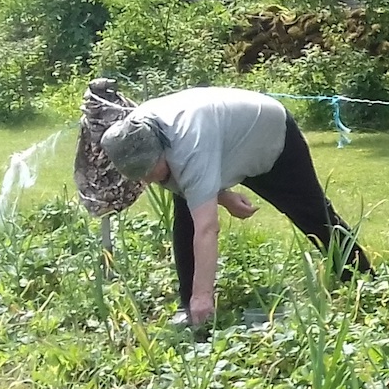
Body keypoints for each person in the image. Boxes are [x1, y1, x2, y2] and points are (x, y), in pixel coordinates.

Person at [99, 86, 370, 329]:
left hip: (269, 134)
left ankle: (365, 284)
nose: (147, 180)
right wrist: (225, 196)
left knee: (314, 215)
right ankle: (190, 311)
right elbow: (193, 178)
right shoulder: (136, 134)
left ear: (161, 151)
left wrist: (204, 296)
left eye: (148, 170)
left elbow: (207, 228)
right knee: (186, 218)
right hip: (223, 138)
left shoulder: (186, 145)